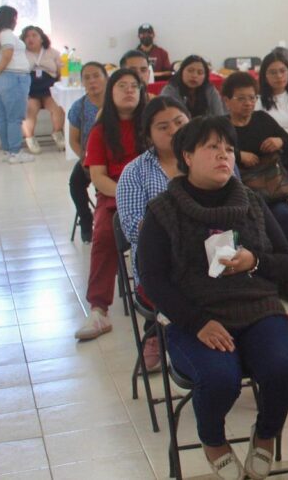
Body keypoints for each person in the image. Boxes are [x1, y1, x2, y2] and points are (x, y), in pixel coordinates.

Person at [137, 116, 288, 480]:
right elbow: (153, 280)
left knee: (283, 371)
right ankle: (213, 441)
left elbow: (287, 262)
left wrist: (253, 261)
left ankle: (265, 434)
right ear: (187, 156)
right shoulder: (164, 210)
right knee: (219, 380)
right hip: (196, 316)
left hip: (258, 310)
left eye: (228, 148)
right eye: (212, 147)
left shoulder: (252, 202)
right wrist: (197, 322)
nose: (223, 155)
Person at [116, 96, 190, 371]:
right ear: (148, 134)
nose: (174, 130)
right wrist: (179, 234)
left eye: (179, 122)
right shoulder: (135, 172)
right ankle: (158, 334)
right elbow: (134, 228)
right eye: (163, 127)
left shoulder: (209, 158)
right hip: (158, 262)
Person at [75, 68, 148, 340]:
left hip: (151, 193)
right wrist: (128, 196)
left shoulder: (151, 126)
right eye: (122, 86)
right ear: (111, 93)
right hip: (114, 194)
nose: (129, 90)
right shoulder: (101, 131)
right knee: (105, 234)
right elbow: (98, 177)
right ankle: (99, 310)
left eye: (134, 86)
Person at [222, 72, 288, 305]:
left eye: (252, 98)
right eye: (241, 98)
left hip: (272, 190)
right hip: (238, 195)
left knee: (284, 215)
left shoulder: (262, 120)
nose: (248, 103)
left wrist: (280, 141)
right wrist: (238, 155)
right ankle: (256, 275)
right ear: (226, 101)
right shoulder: (222, 127)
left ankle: (284, 276)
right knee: (248, 224)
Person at [0, 6, 33, 163]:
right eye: (15, 17)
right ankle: (15, 152)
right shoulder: (6, 34)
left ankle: (8, 151)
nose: (16, 21)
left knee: (3, 116)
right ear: (10, 18)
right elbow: (7, 54)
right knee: (14, 117)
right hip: (13, 78)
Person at [67, 62, 108, 243]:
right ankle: (85, 218)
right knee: (75, 183)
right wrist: (85, 160)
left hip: (113, 157)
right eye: (87, 78)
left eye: (96, 76)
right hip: (89, 157)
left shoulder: (115, 102)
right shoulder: (79, 107)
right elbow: (73, 140)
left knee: (104, 187)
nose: (92, 81)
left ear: (106, 78)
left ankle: (105, 221)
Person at [19, 26, 65, 153]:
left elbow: (61, 70)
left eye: (34, 35)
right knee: (29, 111)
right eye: (27, 36)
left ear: (42, 38)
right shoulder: (21, 54)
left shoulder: (52, 52)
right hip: (30, 90)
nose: (30, 39)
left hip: (49, 89)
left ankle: (57, 133)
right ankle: (30, 138)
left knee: (57, 107)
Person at [160, 55, 225, 118]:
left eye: (200, 73)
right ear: (181, 71)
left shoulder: (210, 90)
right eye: (190, 71)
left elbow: (220, 117)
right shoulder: (170, 90)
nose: (194, 76)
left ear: (205, 76)